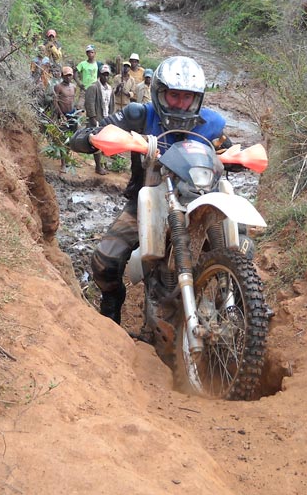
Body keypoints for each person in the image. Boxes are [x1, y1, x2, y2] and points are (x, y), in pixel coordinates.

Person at [69, 56, 236, 324]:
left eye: (187, 97)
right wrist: (91, 138)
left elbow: (227, 148)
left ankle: (240, 309)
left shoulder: (209, 123)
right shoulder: (140, 115)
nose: (180, 103)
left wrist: (238, 158)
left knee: (240, 240)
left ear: (197, 98)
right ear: (160, 92)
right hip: (147, 199)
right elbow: (89, 132)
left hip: (201, 198)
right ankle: (110, 315)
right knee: (105, 262)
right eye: (173, 95)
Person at [83, 64, 115, 175]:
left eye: (107, 75)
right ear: (99, 75)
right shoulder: (93, 87)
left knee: (104, 142)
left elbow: (112, 105)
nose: (105, 77)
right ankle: (98, 166)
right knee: (97, 143)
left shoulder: (110, 88)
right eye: (103, 74)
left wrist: (111, 118)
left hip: (106, 118)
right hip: (97, 118)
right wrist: (93, 118)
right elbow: (89, 103)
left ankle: (102, 164)